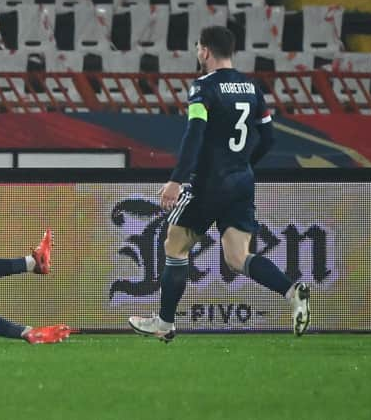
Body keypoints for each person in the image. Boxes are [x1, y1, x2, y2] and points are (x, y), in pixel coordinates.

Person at [128, 26, 310, 342]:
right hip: (241, 182)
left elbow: (195, 133)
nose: (198, 52)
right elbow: (268, 138)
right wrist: (243, 165)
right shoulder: (253, 89)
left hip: (208, 183)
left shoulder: (203, 88)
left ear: (205, 51)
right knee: (237, 257)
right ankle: (291, 291)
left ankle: (165, 322)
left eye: (198, 47)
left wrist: (176, 180)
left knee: (175, 244)